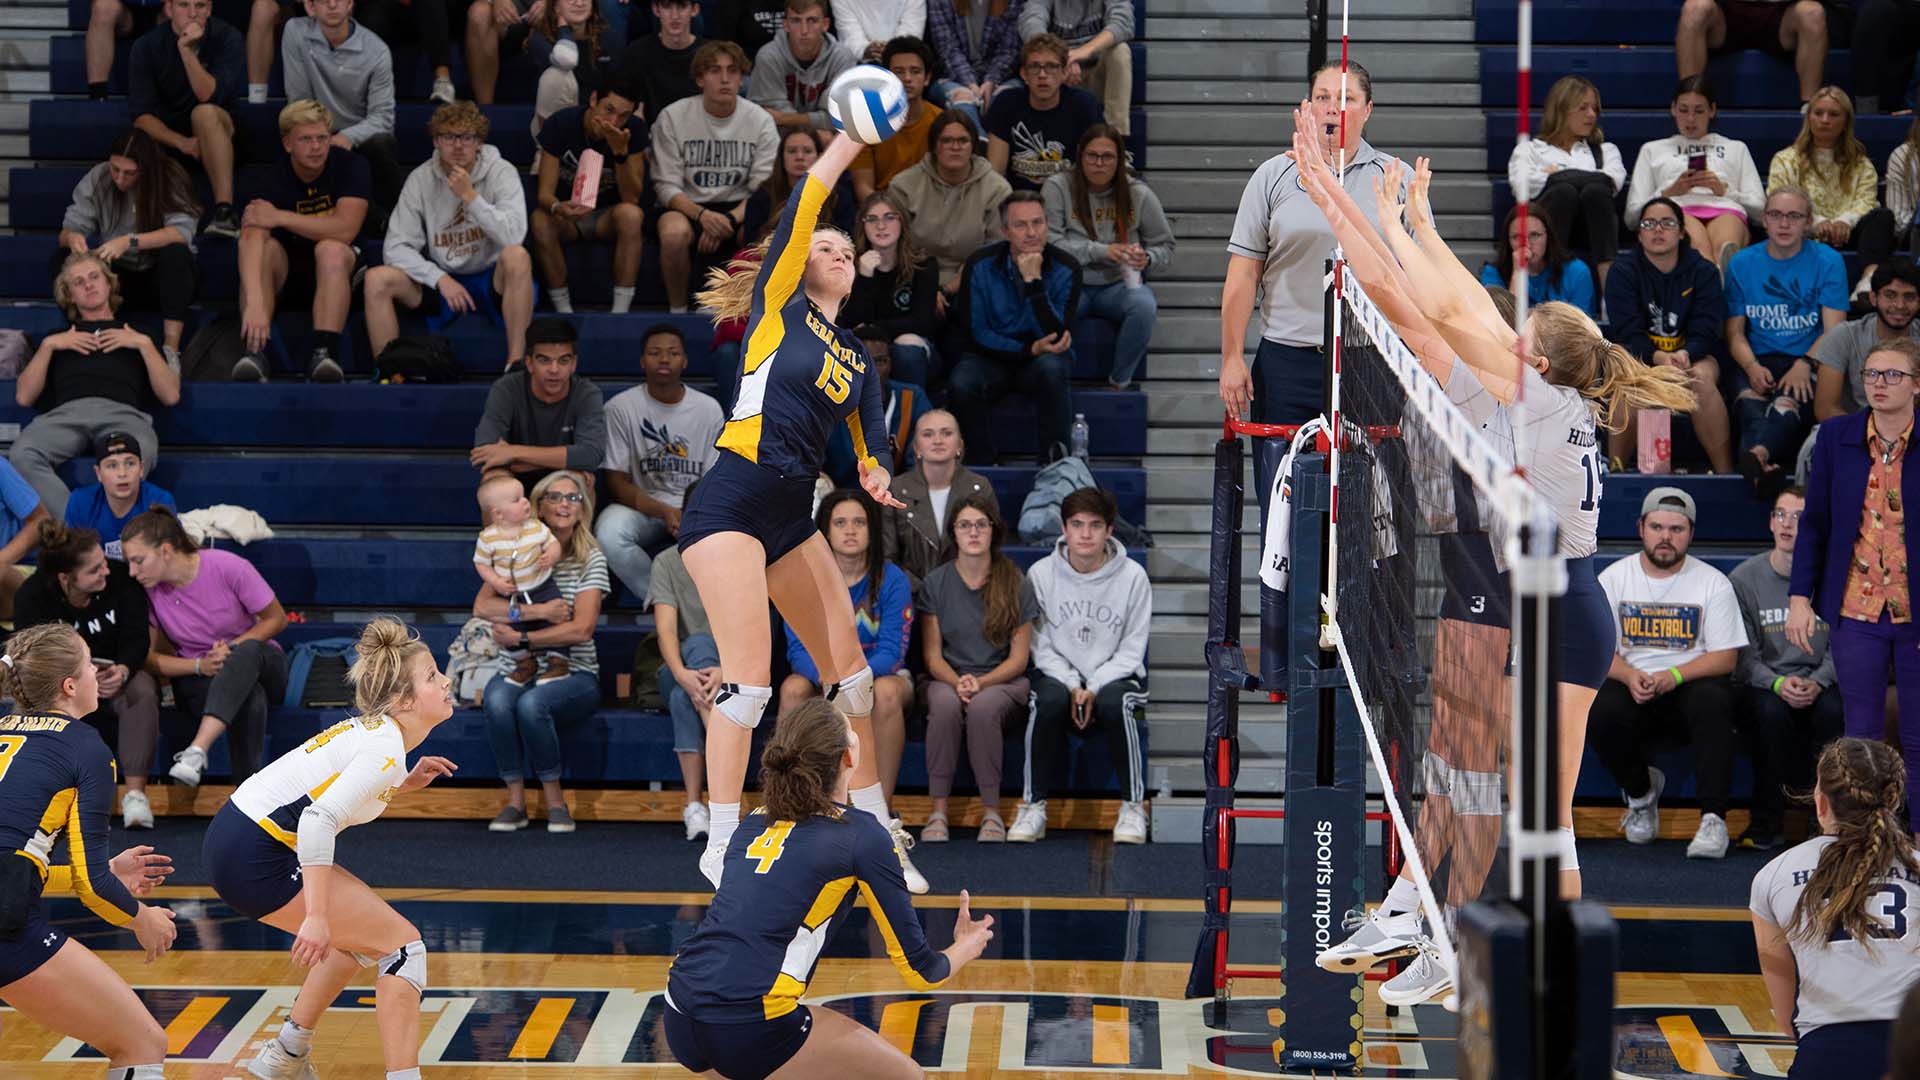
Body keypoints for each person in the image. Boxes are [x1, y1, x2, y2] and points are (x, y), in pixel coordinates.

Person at [1292, 118, 1696, 907]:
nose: (1505, 328)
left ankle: (1545, 966)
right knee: (1497, 785)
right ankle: (1428, 911)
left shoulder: (1534, 395)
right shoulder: (1538, 386)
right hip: (1552, 603)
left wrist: (1337, 202)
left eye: (1521, 331)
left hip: (1564, 615)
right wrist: (1417, 225)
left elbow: (1414, 308)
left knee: (1541, 815)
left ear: (1534, 360)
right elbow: (1457, 305)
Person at [677, 129, 926, 893]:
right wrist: (851, 138)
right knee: (750, 685)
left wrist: (879, 478)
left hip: (791, 511)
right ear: (799, 262)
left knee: (854, 683)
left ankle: (879, 834)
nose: (839, 254)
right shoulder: (779, 304)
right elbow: (810, 198)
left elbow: (870, 444)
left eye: (847, 252)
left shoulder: (855, 356)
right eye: (827, 248)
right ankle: (721, 841)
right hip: (730, 497)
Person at [663, 698, 995, 1078]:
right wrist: (965, 947)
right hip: (749, 1021)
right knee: (907, 1076)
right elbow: (922, 971)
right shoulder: (863, 835)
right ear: (849, 757)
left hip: (680, 1009)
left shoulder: (753, 821)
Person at [201, 617, 458, 1080]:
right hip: (253, 853)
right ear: (403, 701)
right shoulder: (383, 748)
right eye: (433, 677)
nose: (446, 682)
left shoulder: (378, 736)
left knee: (359, 941)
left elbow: (325, 791)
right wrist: (316, 917)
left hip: (238, 839)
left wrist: (401, 783)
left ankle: (286, 1055)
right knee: (403, 949)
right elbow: (317, 818)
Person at [0, 623, 180, 1080]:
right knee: (143, 1043)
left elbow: (14, 856)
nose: (97, 671)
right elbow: (92, 884)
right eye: (88, 663)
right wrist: (143, 918)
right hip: (5, 925)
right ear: (69, 686)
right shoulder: (85, 746)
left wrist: (102, 870)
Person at [1220, 62, 1405, 438]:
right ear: (1308, 108)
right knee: (1286, 490)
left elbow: (1421, 280)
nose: (1333, 108)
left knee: (1364, 492)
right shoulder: (1272, 176)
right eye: (1323, 97)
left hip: (1369, 359)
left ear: (1367, 109)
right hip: (1287, 360)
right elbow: (1243, 274)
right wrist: (1231, 357)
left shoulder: (1395, 178)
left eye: (1347, 98)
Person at [1789, 339, 1920, 836]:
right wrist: (1800, 598)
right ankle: (1864, 840)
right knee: (1860, 734)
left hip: (1915, 610)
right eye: (1871, 375)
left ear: (1916, 385)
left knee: (1918, 735)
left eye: (1892, 375)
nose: (1879, 384)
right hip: (1855, 607)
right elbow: (1815, 524)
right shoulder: (1835, 437)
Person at [1591, 487, 1748, 860]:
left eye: (1676, 529)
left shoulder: (1712, 582)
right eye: (1658, 527)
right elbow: (1597, 651)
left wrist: (1673, 676)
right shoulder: (1614, 579)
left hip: (1688, 686)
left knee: (1714, 699)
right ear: (1641, 527)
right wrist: (1629, 675)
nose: (1666, 537)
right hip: (1634, 683)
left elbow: (1726, 657)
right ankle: (1642, 796)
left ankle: (1713, 818)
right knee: (1598, 708)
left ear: (1690, 533)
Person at [1751, 738, 1920, 1078]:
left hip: (1829, 1055)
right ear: (1894, 800)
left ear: (1821, 804)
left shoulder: (1774, 876)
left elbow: (1788, 1020)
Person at [1015, 485, 1150, 843]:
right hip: (1059, 674)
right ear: (1064, 528)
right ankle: (1033, 807)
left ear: (1109, 530)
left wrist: (1094, 687)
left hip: (1117, 676)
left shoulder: (1133, 577)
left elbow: (1132, 649)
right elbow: (1040, 646)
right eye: (1077, 524)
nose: (1085, 534)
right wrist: (1073, 684)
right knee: (1046, 699)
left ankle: (1133, 807)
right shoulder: (1041, 574)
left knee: (1116, 702)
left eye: (1094, 525)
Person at [477, 470, 610, 834]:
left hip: (577, 671)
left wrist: (523, 639)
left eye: (573, 497)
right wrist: (537, 613)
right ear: (538, 505)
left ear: (583, 509)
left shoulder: (591, 559)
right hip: (519, 666)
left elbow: (581, 629)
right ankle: (515, 803)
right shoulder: (514, 548)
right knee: (498, 700)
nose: (564, 504)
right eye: (555, 496)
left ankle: (555, 802)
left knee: (532, 704)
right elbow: (482, 608)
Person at [120, 506, 289, 787]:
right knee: (249, 695)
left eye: (138, 561)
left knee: (246, 653)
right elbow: (148, 658)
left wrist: (231, 649)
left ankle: (198, 748)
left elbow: (277, 618)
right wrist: (200, 665)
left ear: (165, 551)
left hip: (264, 663)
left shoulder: (227, 566)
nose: (132, 572)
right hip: (200, 678)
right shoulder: (147, 591)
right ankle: (246, 796)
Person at [367, 101, 536, 373]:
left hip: (491, 277)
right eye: (448, 137)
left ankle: (515, 364)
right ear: (435, 141)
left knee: (517, 256)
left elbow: (514, 236)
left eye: (466, 137)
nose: (458, 146)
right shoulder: (420, 179)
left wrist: (470, 197)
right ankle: (389, 372)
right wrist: (439, 278)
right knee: (376, 278)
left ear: (479, 142)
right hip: (443, 278)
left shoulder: (501, 172)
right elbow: (395, 247)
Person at [13, 522, 160, 830]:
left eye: (103, 563)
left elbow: (137, 638)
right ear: (66, 579)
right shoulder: (33, 596)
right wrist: (72, 683)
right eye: (94, 570)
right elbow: (30, 659)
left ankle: (134, 794)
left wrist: (123, 669)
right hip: (60, 682)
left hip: (115, 672)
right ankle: (35, 799)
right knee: (27, 705)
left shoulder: (121, 579)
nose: (105, 572)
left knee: (143, 690)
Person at [12, 253, 179, 520]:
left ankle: (102, 527)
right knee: (21, 454)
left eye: (94, 277)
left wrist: (143, 345)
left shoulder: (139, 334)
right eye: (78, 282)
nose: (88, 285)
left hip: (122, 413)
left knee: (142, 449)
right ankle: (80, 529)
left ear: (108, 283)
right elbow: (23, 396)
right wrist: (48, 347)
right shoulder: (57, 338)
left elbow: (170, 395)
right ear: (70, 296)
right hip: (66, 416)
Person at [778, 490, 912, 804]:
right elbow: (798, 649)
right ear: (825, 531)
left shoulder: (892, 579)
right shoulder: (805, 580)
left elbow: (892, 653)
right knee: (792, 689)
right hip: (822, 676)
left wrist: (848, 682)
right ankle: (793, 804)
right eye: (840, 523)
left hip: (879, 675)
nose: (850, 530)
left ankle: (881, 808)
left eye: (858, 522)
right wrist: (830, 680)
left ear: (872, 529)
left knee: (887, 693)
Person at [916, 494, 1035, 842]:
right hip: (946, 677)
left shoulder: (1014, 580)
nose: (973, 532)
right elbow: (933, 656)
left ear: (993, 530)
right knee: (943, 703)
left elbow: (1018, 659)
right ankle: (937, 811)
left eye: (981, 524)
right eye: (965, 525)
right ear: (953, 532)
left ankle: (992, 813)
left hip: (1002, 680)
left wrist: (979, 684)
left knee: (983, 708)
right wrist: (960, 683)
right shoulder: (936, 583)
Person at [1733, 485, 1844, 851]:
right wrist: (1777, 683)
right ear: (1770, 522)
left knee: (1834, 711)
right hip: (1768, 685)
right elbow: (1743, 655)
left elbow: (1846, 644)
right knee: (1768, 712)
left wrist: (1819, 680)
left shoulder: (1837, 578)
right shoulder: (1744, 579)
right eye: (1781, 514)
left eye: (1799, 517)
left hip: (1823, 682)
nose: (1788, 524)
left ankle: (1824, 822)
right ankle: (1766, 822)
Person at [1725, 186, 1850, 498]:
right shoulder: (1741, 263)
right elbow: (1735, 333)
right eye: (1776, 215)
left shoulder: (1828, 261)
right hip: (1756, 355)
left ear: (1808, 222)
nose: (1784, 224)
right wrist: (1752, 366)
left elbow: (1835, 330)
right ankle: (1759, 461)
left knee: (1787, 399)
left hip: (1810, 356)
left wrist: (1805, 363)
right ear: (1764, 220)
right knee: (1751, 402)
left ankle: (1757, 458)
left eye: (1794, 216)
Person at [235, 99, 371, 383]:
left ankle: (324, 353)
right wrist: (256, 302)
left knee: (330, 248)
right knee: (263, 245)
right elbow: (249, 238)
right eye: (306, 139)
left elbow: (345, 229)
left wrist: (281, 217)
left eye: (322, 138)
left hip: (341, 272)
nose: (316, 147)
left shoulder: (352, 166)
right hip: (289, 273)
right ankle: (254, 352)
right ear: (287, 144)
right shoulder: (270, 180)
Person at [949, 190, 1081, 465]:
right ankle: (982, 465)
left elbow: (1056, 336)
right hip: (991, 357)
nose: (1031, 232)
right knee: (962, 381)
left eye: (1038, 223)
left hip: (1043, 358)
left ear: (1047, 224)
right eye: (1021, 225)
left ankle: (1055, 464)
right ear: (1005, 231)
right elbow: (977, 332)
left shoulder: (1068, 268)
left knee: (1053, 368)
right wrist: (1027, 349)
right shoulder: (980, 264)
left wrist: (1033, 282)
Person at [596, 323, 726, 599]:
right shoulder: (620, 408)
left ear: (685, 361)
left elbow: (716, 479)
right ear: (643, 361)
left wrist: (690, 513)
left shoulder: (708, 409)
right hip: (645, 505)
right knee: (608, 534)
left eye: (673, 353)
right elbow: (615, 483)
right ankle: (666, 601)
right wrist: (665, 511)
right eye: (655, 353)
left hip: (697, 506)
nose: (664, 359)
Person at [1604, 195, 1732, 473]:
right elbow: (1626, 332)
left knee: (1702, 378)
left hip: (1693, 356)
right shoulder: (1623, 272)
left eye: (1667, 223)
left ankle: (1725, 473)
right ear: (1639, 235)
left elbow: (1708, 329)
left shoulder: (1704, 271)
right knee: (1629, 385)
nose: (1658, 230)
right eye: (1649, 224)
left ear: (1682, 231)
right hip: (1641, 356)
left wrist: (1686, 354)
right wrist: (1659, 358)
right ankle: (1614, 473)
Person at [651, 41, 780, 311]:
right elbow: (666, 187)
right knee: (673, 232)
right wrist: (702, 216)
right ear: (700, 79)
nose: (724, 79)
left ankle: (745, 311)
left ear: (742, 77)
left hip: (740, 207)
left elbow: (763, 189)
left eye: (732, 71)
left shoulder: (760, 121)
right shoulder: (673, 117)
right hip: (688, 206)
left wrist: (730, 219)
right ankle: (678, 311)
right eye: (714, 71)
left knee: (762, 228)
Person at [1044, 123, 1173, 391]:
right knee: (1044, 305)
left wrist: (1147, 258)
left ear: (1120, 159)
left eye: (1107, 157)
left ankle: (1119, 382)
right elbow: (1050, 244)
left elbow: (1165, 246)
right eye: (1092, 156)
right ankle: (1052, 379)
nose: (1099, 163)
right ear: (1080, 157)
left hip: (1118, 285)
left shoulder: (1137, 193)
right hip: (1070, 283)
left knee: (1143, 306)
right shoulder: (1058, 187)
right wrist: (1102, 250)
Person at [55, 128, 201, 361]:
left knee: (177, 254)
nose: (120, 179)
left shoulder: (168, 176)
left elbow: (181, 233)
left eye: (129, 173)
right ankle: (85, 334)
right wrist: (73, 238)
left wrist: (129, 241)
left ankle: (171, 350)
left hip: (159, 275)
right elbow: (68, 230)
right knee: (63, 259)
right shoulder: (99, 177)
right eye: (115, 169)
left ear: (145, 170)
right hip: (118, 277)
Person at [529, 76, 649, 315]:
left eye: (623, 115)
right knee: (540, 219)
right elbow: (544, 193)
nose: (613, 121)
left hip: (607, 216)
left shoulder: (632, 130)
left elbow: (632, 198)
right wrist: (558, 208)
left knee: (632, 215)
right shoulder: (561, 123)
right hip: (568, 213)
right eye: (608, 110)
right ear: (594, 99)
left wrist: (620, 153)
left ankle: (620, 312)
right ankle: (564, 310)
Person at [1624, 75, 1767, 274]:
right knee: (1698, 249)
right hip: (1679, 209)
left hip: (1725, 208)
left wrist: (1724, 191)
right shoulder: (1652, 150)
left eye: (1699, 111)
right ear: (1673, 109)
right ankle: (1711, 279)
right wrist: (1668, 193)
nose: (1690, 119)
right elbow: (1631, 217)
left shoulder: (1736, 148)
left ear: (1712, 110)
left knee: (1726, 243)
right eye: (1683, 110)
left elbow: (1761, 212)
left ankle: (1725, 273)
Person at [1769, 87, 1900, 303]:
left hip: (1852, 234)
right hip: (1806, 233)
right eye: (1818, 113)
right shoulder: (1786, 159)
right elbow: (1778, 197)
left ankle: (1867, 282)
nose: (1825, 120)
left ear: (1846, 121)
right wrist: (1818, 223)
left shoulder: (1861, 163)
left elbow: (1866, 201)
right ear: (1808, 117)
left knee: (1882, 216)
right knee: (1782, 217)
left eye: (1834, 114)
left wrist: (1844, 222)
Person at [280, 0, 401, 225]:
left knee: (381, 144)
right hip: (317, 125)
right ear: (310, 6)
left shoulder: (377, 50)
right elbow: (299, 101)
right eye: (324, 0)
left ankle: (397, 220)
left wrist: (346, 137)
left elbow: (383, 118)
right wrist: (322, 135)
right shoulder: (295, 32)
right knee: (298, 137)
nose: (333, 5)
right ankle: (371, 220)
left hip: (360, 134)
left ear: (350, 5)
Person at [129, 0, 243, 238]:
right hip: (172, 138)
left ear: (210, 9)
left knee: (203, 113)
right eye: (183, 5)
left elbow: (207, 95)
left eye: (200, 6)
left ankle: (224, 212)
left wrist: (186, 50)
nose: (193, 13)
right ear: (168, 9)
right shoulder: (146, 46)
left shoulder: (228, 37)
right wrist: (183, 143)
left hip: (221, 131)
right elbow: (142, 117)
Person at [1506, 75, 1625, 293]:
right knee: (1564, 193)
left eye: (1595, 109)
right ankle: (1551, 283)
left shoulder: (1606, 150)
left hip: (1594, 226)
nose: (1591, 115)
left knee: (1596, 192)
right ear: (1561, 109)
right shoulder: (1530, 150)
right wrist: (1577, 178)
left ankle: (1609, 291)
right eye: (1583, 108)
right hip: (1551, 224)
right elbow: (1521, 186)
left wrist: (1554, 174)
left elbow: (1612, 181)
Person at [470, 317, 610, 494]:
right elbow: (484, 451)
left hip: (562, 477)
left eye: (563, 361)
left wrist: (513, 452)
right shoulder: (506, 387)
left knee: (582, 479)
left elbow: (590, 456)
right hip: (518, 479)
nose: (554, 369)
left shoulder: (587, 393)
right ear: (529, 363)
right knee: (493, 477)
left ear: (574, 364)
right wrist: (564, 460)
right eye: (544, 360)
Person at [889, 111, 1012, 301]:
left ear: (973, 146)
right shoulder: (903, 185)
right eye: (946, 141)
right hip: (912, 280)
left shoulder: (997, 189)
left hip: (975, 282)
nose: (955, 147)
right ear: (934, 147)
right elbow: (894, 248)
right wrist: (926, 292)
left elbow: (995, 253)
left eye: (963, 141)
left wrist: (946, 290)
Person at [646, 526, 719, 841]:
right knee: (698, 645)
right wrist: (681, 673)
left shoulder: (739, 557)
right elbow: (666, 631)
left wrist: (726, 668)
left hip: (730, 671)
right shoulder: (666, 562)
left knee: (681, 699)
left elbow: (755, 628)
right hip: (676, 669)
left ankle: (694, 805)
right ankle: (722, 797)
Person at [473, 473, 569, 686]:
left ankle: (558, 661)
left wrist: (551, 556)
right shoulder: (488, 537)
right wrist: (496, 581)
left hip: (542, 585)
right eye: (517, 500)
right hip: (513, 593)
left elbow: (553, 544)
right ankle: (525, 663)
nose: (526, 501)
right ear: (498, 513)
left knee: (557, 616)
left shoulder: (535, 527)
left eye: (524, 496)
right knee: (509, 626)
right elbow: (481, 564)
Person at [883, 408, 996, 581]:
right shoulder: (895, 491)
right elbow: (887, 557)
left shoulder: (980, 488)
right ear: (916, 448)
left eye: (947, 433)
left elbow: (991, 549)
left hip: (968, 592)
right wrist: (927, 593)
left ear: (959, 445)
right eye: (928, 434)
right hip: (912, 597)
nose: (937, 441)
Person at [842, 189, 940, 387]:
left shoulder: (924, 265)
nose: (881, 226)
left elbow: (922, 322)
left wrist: (874, 329)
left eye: (889, 217)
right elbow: (850, 322)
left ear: (902, 222)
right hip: (865, 347)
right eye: (871, 219)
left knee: (906, 345)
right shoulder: (849, 265)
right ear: (862, 225)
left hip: (915, 348)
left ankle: (907, 412)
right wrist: (865, 277)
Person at [984, 33, 1104, 193]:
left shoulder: (1083, 105)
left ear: (1064, 73)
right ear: (1024, 74)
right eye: (1034, 66)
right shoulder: (1006, 104)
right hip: (1019, 202)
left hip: (1069, 200)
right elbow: (995, 175)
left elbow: (1096, 169)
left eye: (1051, 66)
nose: (1042, 75)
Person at [1815, 261, 1920, 421]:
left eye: (1909, 297)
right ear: (1873, 298)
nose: (1899, 305)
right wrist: (1877, 435)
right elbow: (1825, 409)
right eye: (1890, 295)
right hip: (1853, 430)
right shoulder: (1844, 335)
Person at [1676, 0, 1827, 108]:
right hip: (1726, 11)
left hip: (1780, 12)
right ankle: (1689, 102)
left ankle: (1810, 108)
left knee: (1812, 13)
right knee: (1694, 8)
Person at [822, 335, 929, 487]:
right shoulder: (827, 401)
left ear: (890, 364)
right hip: (842, 496)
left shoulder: (911, 397)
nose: (872, 370)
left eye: (880, 361)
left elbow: (921, 459)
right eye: (862, 361)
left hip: (897, 495)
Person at [1017, 0, 1131, 137]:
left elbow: (1123, 23)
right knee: (1042, 59)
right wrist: (1064, 59)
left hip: (1096, 74)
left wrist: (1085, 51)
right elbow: (1031, 23)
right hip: (1058, 74)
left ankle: (1116, 140)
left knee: (1120, 51)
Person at [850, 36, 943, 199]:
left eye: (915, 71)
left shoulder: (942, 122)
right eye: (898, 72)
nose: (907, 78)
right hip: (882, 212)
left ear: (927, 78)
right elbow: (863, 189)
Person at [63, 431, 178, 562]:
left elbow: (166, 559)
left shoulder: (160, 501)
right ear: (98, 473)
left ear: (141, 469)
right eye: (112, 465)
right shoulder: (80, 502)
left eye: (130, 464)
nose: (122, 473)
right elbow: (72, 560)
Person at [747, 0, 855, 129]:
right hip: (780, 142)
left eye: (812, 21)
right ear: (785, 25)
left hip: (830, 141)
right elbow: (768, 119)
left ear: (825, 24)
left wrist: (787, 119)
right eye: (796, 21)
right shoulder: (769, 57)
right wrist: (816, 132)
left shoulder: (842, 58)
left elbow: (841, 119)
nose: (804, 31)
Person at [741, 126, 856, 243]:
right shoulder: (763, 196)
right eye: (792, 151)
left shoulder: (839, 196)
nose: (799, 157)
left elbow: (846, 241)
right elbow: (751, 243)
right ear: (781, 157)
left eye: (807, 151)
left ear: (819, 156)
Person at [924, 0, 1020, 133]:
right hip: (952, 75)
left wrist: (991, 80)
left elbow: (1008, 51)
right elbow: (948, 49)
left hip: (1000, 76)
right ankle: (980, 146)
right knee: (964, 98)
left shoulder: (1013, 2)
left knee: (1003, 98)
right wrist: (970, 84)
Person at [528, 0, 623, 131]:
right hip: (555, 125)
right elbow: (567, 59)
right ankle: (548, 148)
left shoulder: (609, 38)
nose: (579, 3)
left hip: (596, 120)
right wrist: (564, 30)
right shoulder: (540, 38)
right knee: (556, 75)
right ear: (555, 6)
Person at [613, 0, 706, 122]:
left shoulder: (709, 56)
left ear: (695, 10)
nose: (675, 15)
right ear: (656, 10)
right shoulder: (636, 53)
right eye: (667, 6)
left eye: (682, 6)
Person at [86, 0, 166, 100]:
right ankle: (98, 94)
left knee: (182, 7)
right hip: (125, 11)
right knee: (103, 8)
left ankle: (182, 96)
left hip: (164, 10)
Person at [831, 0, 923, 62]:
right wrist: (865, 50)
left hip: (905, 59)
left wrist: (891, 49)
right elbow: (850, 37)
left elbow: (912, 32)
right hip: (860, 64)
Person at [709, 0, 784, 59]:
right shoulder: (732, 4)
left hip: (791, 64)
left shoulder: (793, 3)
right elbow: (722, 44)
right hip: (747, 66)